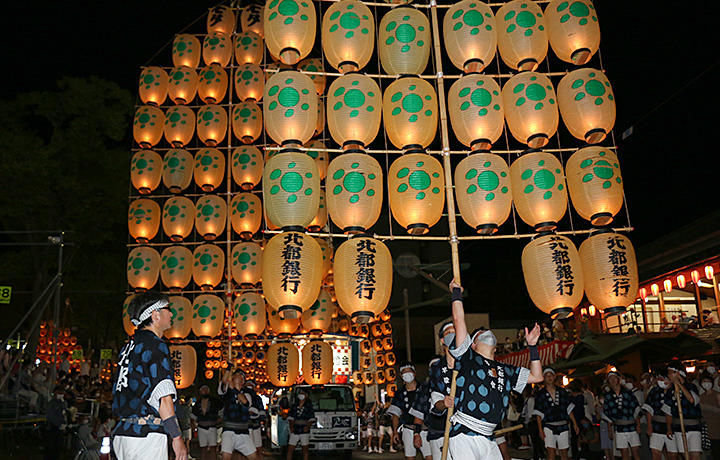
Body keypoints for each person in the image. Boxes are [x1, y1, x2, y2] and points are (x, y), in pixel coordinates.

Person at [445, 280, 543, 459]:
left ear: (496, 348)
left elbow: (537, 376)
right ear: (472, 345)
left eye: (488, 331)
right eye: (480, 334)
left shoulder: (506, 370)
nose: (486, 332)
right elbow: (459, 320)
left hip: (490, 437)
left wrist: (532, 347)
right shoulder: (467, 358)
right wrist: (456, 292)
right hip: (464, 434)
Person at [111, 291, 187, 460]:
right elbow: (162, 396)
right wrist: (176, 437)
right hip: (146, 437)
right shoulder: (154, 345)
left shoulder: (128, 347)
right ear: (155, 315)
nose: (171, 313)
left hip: (123, 434)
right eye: (168, 308)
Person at [533, 368, 579, 460]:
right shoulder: (541, 394)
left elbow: (568, 409)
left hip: (563, 424)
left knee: (564, 451)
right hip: (548, 426)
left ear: (554, 377)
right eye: (547, 376)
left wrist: (575, 423)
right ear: (544, 378)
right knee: (551, 451)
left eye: (551, 375)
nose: (549, 378)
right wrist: (540, 429)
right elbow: (538, 413)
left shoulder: (562, 391)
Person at [388, 362, 431, 460]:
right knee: (410, 457)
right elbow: (395, 413)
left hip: (424, 428)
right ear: (401, 375)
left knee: (429, 456)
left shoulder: (424, 388)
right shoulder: (399, 393)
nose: (407, 374)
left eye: (409, 371)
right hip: (408, 428)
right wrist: (395, 432)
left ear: (414, 373)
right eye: (404, 372)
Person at [426, 321, 455, 460]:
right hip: (446, 430)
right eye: (449, 333)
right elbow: (436, 400)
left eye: (456, 331)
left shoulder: (473, 361)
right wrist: (444, 403)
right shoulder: (437, 369)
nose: (454, 335)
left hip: (474, 431)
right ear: (443, 340)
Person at [664, 361, 702, 460]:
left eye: (670, 372)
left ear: (678, 373)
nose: (668, 375)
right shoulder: (670, 391)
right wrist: (669, 428)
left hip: (693, 427)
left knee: (695, 455)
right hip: (678, 427)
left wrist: (679, 385)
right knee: (685, 455)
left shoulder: (691, 387)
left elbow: (692, 400)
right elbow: (668, 411)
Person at [602, 369, 642, 460]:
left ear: (619, 379)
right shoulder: (608, 396)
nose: (613, 380)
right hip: (619, 427)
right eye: (610, 378)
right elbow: (608, 414)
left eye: (614, 378)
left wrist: (638, 424)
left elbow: (635, 409)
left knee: (635, 451)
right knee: (624, 452)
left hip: (632, 426)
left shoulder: (628, 392)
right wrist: (609, 430)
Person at [410, 355, 444, 460]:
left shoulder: (453, 384)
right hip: (434, 433)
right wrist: (416, 433)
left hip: (454, 433)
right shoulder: (424, 389)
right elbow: (419, 414)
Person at [218, 369, 257, 460]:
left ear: (243, 381)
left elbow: (245, 402)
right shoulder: (227, 393)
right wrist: (229, 367)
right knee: (226, 457)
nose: (237, 376)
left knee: (254, 457)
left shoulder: (247, 394)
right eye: (236, 375)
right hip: (229, 430)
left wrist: (234, 389)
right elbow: (223, 381)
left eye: (240, 375)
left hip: (243, 431)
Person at [642, 371, 673, 460]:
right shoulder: (655, 390)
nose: (659, 381)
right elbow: (649, 409)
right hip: (656, 426)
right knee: (655, 452)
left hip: (672, 426)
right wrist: (649, 425)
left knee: (672, 454)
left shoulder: (674, 389)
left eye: (661, 379)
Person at [191, 384, 223, 460]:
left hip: (212, 427)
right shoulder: (197, 404)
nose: (205, 391)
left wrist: (219, 421)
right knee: (203, 449)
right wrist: (193, 424)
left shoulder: (215, 402)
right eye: (203, 390)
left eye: (206, 389)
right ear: (200, 392)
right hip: (201, 428)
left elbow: (222, 412)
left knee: (213, 448)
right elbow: (193, 416)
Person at [286, 387, 314, 460]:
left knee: (305, 449)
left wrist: (307, 427)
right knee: (290, 448)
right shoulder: (294, 405)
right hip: (295, 429)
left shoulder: (309, 406)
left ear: (306, 395)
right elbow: (290, 417)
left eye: (303, 393)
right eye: (300, 393)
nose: (301, 395)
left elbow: (311, 418)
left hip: (304, 430)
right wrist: (291, 427)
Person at [698, 371, 720, 458]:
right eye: (704, 382)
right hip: (707, 426)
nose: (706, 384)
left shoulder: (717, 395)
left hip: (717, 424)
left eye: (708, 381)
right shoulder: (701, 396)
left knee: (717, 449)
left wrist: (709, 408)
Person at [44, 386, 68, 460]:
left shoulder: (62, 403)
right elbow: (51, 416)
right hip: (52, 427)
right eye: (59, 392)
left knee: (57, 448)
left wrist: (65, 423)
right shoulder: (51, 403)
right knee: (50, 448)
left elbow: (64, 414)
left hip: (60, 427)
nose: (61, 394)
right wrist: (59, 424)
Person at [245, 380, 265, 460]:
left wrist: (256, 414)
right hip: (246, 426)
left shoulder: (257, 398)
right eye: (247, 385)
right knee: (247, 450)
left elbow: (262, 412)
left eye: (250, 385)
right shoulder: (242, 397)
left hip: (256, 425)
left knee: (258, 448)